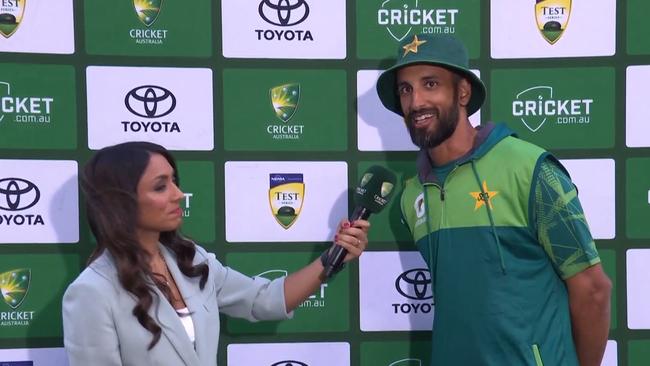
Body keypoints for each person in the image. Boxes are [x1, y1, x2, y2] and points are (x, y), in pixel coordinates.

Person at [375, 34, 611, 366]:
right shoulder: (412, 195)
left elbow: (593, 290)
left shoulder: (530, 169)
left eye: (430, 84)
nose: (416, 103)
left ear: (462, 92)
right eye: (405, 89)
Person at [62, 141, 369, 366]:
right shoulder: (91, 293)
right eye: (160, 187)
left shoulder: (191, 260)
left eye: (174, 181)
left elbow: (265, 301)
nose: (178, 194)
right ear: (122, 201)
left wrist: (334, 256)